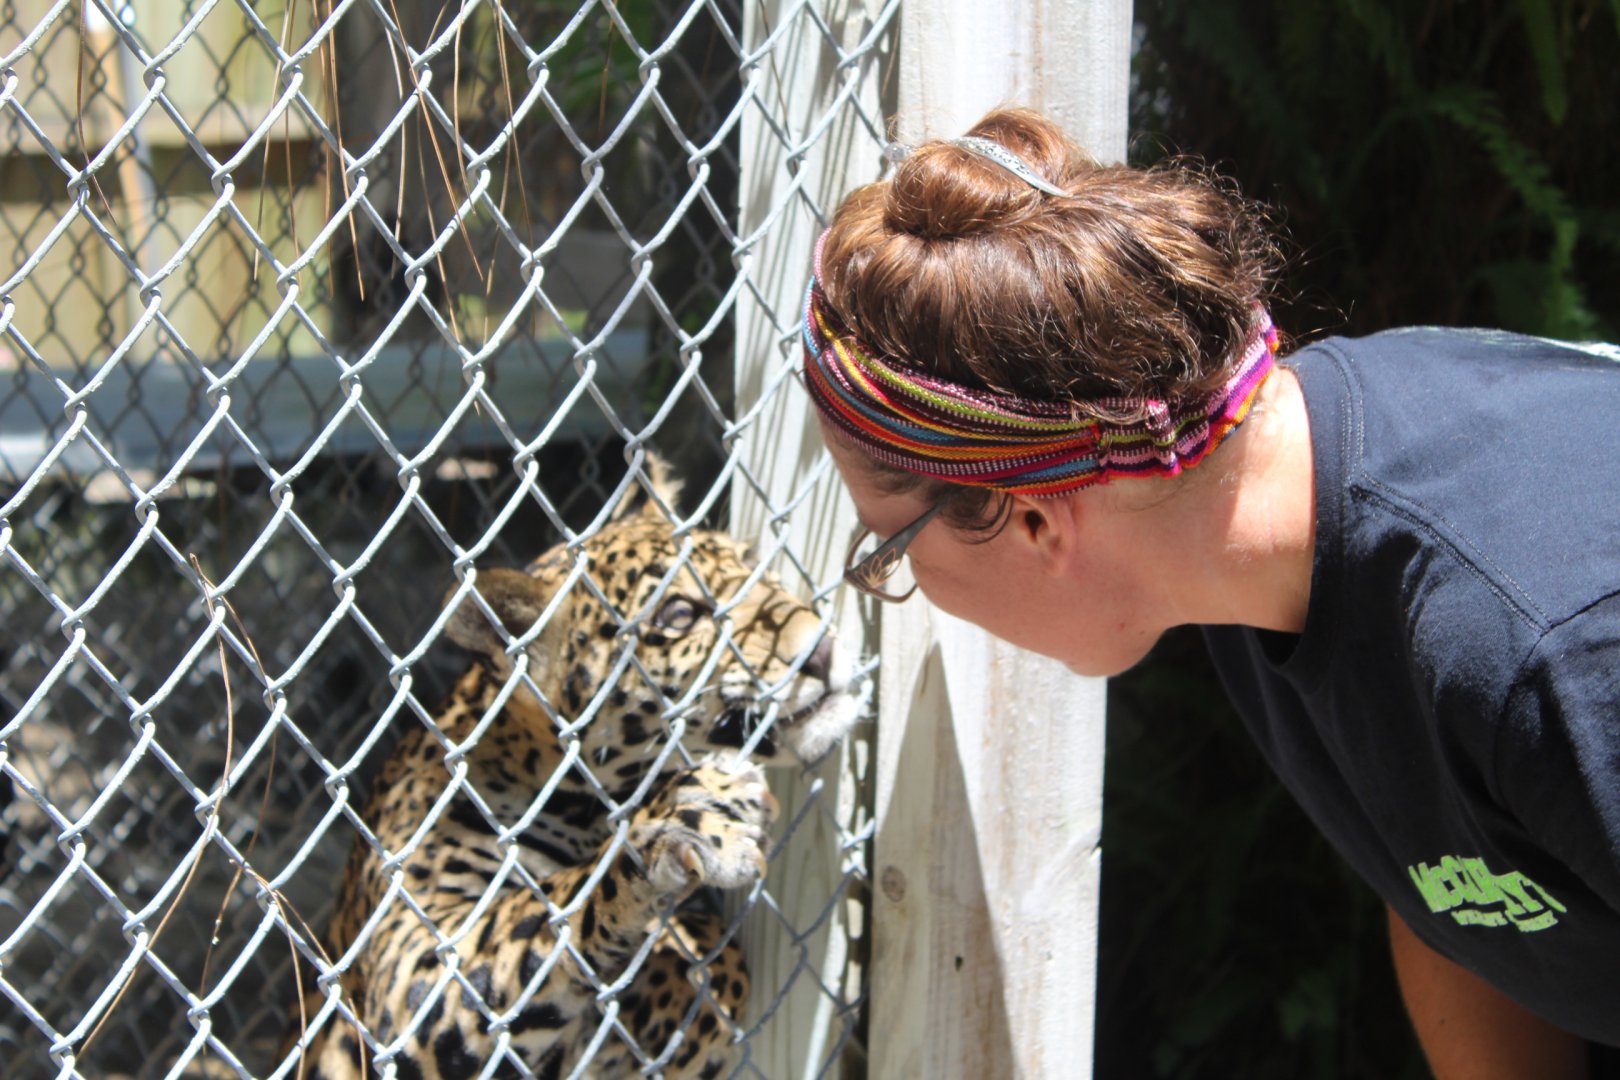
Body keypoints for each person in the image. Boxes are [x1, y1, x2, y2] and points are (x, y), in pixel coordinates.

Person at [800, 106, 1620, 1078]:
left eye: (889, 554)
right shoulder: (1263, 536)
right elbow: (1461, 886)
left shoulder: (1554, 649)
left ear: (1031, 520)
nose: (899, 584)